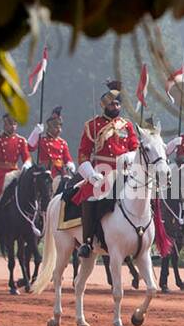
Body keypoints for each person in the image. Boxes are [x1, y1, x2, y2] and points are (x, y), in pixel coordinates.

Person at [73, 79, 139, 258]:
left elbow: (136, 149)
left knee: (144, 196)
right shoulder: (92, 125)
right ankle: (87, 242)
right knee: (90, 197)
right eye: (111, 103)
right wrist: (91, 174)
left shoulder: (127, 126)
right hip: (100, 173)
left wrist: (129, 157)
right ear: (104, 105)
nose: (115, 106)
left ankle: (144, 237)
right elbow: (83, 155)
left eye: (117, 103)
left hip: (124, 172)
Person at [28, 106, 75, 191]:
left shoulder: (62, 143)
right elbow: (30, 147)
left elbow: (68, 158)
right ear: (50, 127)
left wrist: (70, 165)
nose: (59, 130)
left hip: (60, 172)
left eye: (60, 127)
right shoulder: (42, 140)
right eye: (56, 127)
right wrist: (35, 133)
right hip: (45, 172)